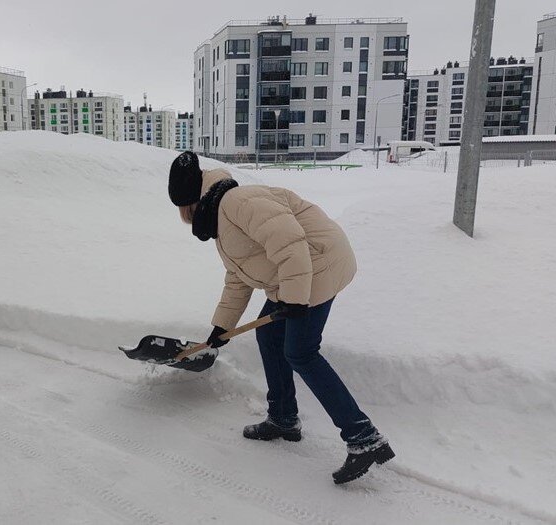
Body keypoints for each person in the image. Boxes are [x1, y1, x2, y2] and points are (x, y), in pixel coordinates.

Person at [167, 151, 394, 484]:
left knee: (300, 352)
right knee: (270, 336)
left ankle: (363, 437)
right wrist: (221, 328)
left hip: (317, 267)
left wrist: (295, 299)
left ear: (192, 203)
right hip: (297, 274)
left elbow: (291, 244)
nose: (184, 218)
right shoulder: (222, 219)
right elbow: (238, 276)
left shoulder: (239, 202)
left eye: (183, 211)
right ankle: (283, 418)